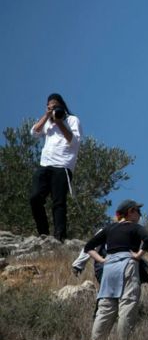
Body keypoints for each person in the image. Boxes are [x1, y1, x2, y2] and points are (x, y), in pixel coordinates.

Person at [84, 199, 148, 340]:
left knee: (105, 307)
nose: (140, 215)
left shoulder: (110, 228)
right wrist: (138, 256)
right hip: (127, 264)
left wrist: (102, 260)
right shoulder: (134, 227)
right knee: (127, 304)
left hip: (109, 267)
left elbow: (89, 246)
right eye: (138, 211)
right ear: (130, 212)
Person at [29, 93, 83, 242]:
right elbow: (34, 133)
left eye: (55, 106)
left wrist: (59, 121)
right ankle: (43, 233)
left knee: (58, 202)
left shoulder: (72, 120)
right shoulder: (47, 121)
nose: (52, 108)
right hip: (45, 164)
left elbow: (74, 141)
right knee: (35, 198)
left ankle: (60, 236)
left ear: (62, 105)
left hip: (63, 166)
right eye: (49, 106)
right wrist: (47, 116)